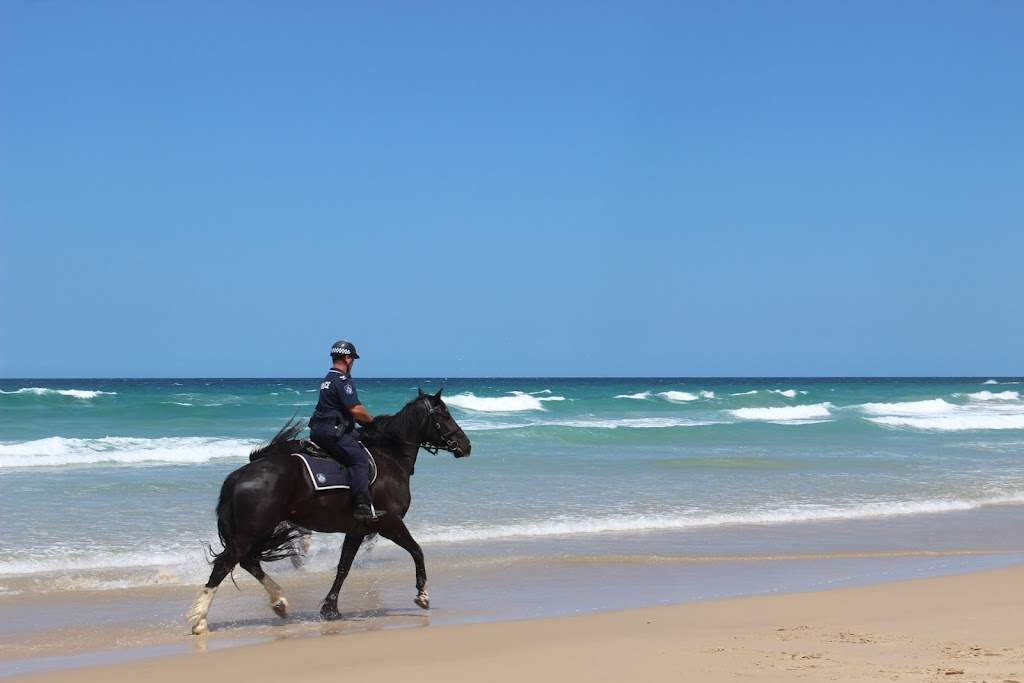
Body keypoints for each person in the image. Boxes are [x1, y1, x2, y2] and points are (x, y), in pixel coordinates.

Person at [308, 340, 383, 522]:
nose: (353, 364)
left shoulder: (327, 378)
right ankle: (362, 507)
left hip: (319, 428)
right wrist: (372, 422)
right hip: (331, 431)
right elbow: (356, 409)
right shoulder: (342, 380)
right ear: (348, 358)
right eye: (353, 359)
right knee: (360, 462)